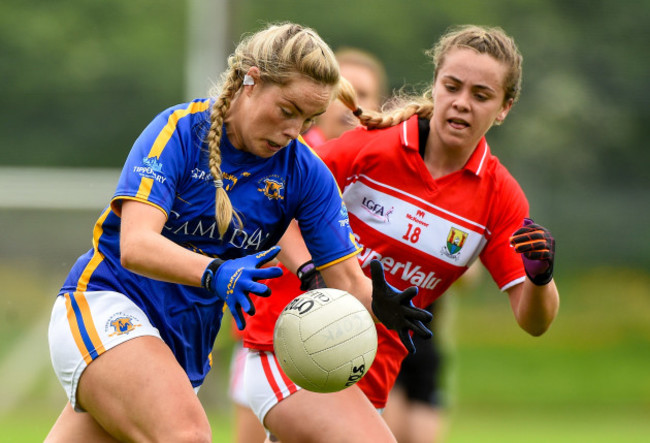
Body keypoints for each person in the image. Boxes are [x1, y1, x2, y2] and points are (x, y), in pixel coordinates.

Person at [45, 22, 431, 442]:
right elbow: (135, 245)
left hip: (183, 347)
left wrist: (379, 304)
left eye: (307, 119)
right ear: (251, 79)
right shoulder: (178, 131)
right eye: (287, 111)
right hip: (106, 305)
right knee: (187, 435)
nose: (293, 131)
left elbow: (347, 281)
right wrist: (216, 272)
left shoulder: (306, 173)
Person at [242, 24, 560, 443]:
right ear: (436, 86)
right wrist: (312, 273)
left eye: (481, 96)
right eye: (452, 86)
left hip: (369, 376)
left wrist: (541, 278)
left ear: (505, 107)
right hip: (289, 344)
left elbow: (534, 321)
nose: (462, 104)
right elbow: (272, 205)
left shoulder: (500, 197)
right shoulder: (369, 149)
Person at [227, 46, 389, 443]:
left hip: (349, 333)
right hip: (276, 329)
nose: (350, 107)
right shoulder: (290, 153)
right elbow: (270, 217)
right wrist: (309, 270)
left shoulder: (378, 167)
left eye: (363, 95)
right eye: (343, 95)